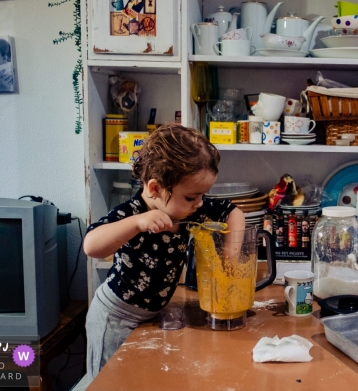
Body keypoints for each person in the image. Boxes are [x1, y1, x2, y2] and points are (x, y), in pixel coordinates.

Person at [73, 124, 244, 391]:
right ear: (155, 187)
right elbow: (92, 246)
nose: (199, 203)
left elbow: (234, 212)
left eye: (202, 195)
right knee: (108, 384)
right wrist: (137, 223)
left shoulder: (190, 208)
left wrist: (231, 253)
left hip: (152, 313)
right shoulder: (131, 212)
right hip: (115, 316)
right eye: (191, 196)